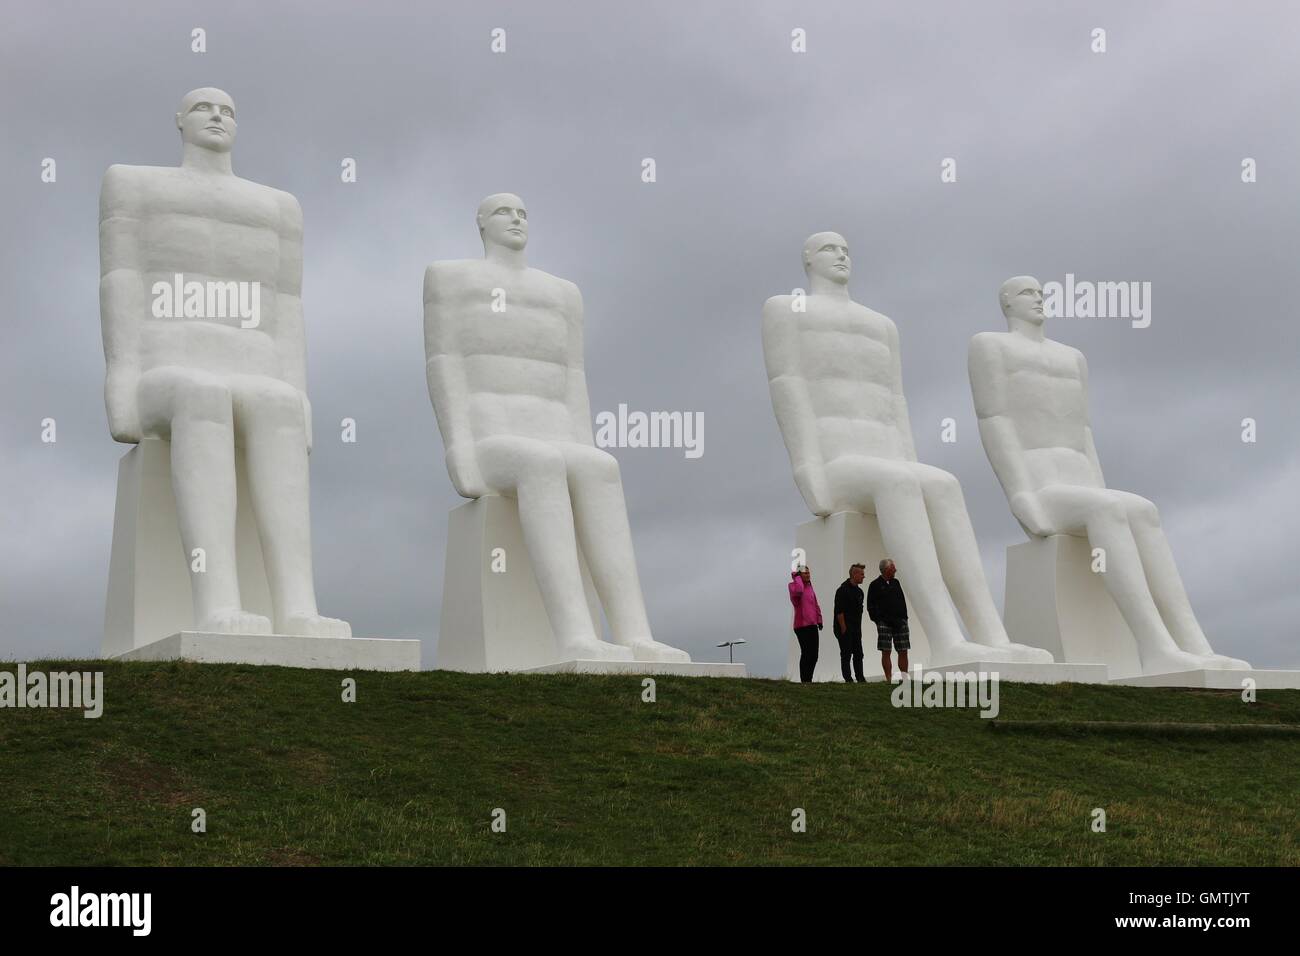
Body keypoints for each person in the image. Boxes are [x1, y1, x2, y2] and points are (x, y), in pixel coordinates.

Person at [867, 558, 909, 681]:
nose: (895, 570)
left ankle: (904, 677)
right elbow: (871, 605)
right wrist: (878, 621)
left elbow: (901, 601)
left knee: (903, 650)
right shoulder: (874, 585)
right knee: (886, 651)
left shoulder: (896, 583)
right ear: (886, 570)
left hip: (900, 622)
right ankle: (889, 678)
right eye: (892, 568)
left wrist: (904, 618)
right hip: (884, 623)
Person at [833, 563, 867, 682]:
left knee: (859, 653)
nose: (864, 576)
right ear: (854, 574)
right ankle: (848, 678)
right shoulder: (842, 590)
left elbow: (860, 612)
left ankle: (860, 677)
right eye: (862, 574)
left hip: (856, 628)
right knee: (846, 654)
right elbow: (839, 611)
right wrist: (843, 628)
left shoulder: (860, 592)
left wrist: (859, 629)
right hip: (845, 627)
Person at [788, 565, 823, 682]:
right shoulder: (793, 586)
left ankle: (809, 679)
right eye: (805, 573)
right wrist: (797, 578)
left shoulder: (810, 587)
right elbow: (799, 591)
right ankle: (805, 680)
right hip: (801, 626)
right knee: (806, 653)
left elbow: (815, 604)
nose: (808, 575)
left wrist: (819, 619)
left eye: (809, 573)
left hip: (812, 624)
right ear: (799, 575)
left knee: (814, 655)